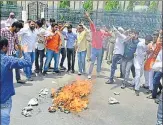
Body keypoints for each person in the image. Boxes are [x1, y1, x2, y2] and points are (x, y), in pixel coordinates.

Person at [0, 37, 31, 125]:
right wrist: (25, 50)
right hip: (4, 98)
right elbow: (27, 62)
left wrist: (18, 52)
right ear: (4, 47)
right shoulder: (7, 60)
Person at [85, 12, 112, 79]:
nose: (97, 27)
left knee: (99, 62)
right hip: (94, 49)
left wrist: (108, 30)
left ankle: (98, 72)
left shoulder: (102, 31)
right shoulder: (93, 30)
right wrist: (88, 17)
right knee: (92, 62)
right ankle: (89, 74)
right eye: (96, 26)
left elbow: (109, 34)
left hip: (100, 49)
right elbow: (91, 23)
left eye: (99, 26)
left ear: (100, 26)